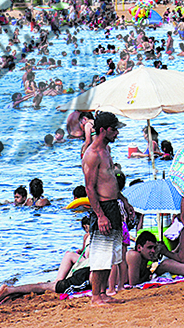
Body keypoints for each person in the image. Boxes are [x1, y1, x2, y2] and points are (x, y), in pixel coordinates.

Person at [81, 111, 134, 306]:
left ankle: (102, 293)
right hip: (103, 207)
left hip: (112, 205)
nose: (117, 134)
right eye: (114, 130)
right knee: (101, 255)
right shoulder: (92, 154)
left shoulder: (106, 151)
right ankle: (96, 296)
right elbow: (90, 188)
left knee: (110, 255)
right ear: (103, 130)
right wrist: (100, 215)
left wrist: (124, 201)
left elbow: (110, 181)